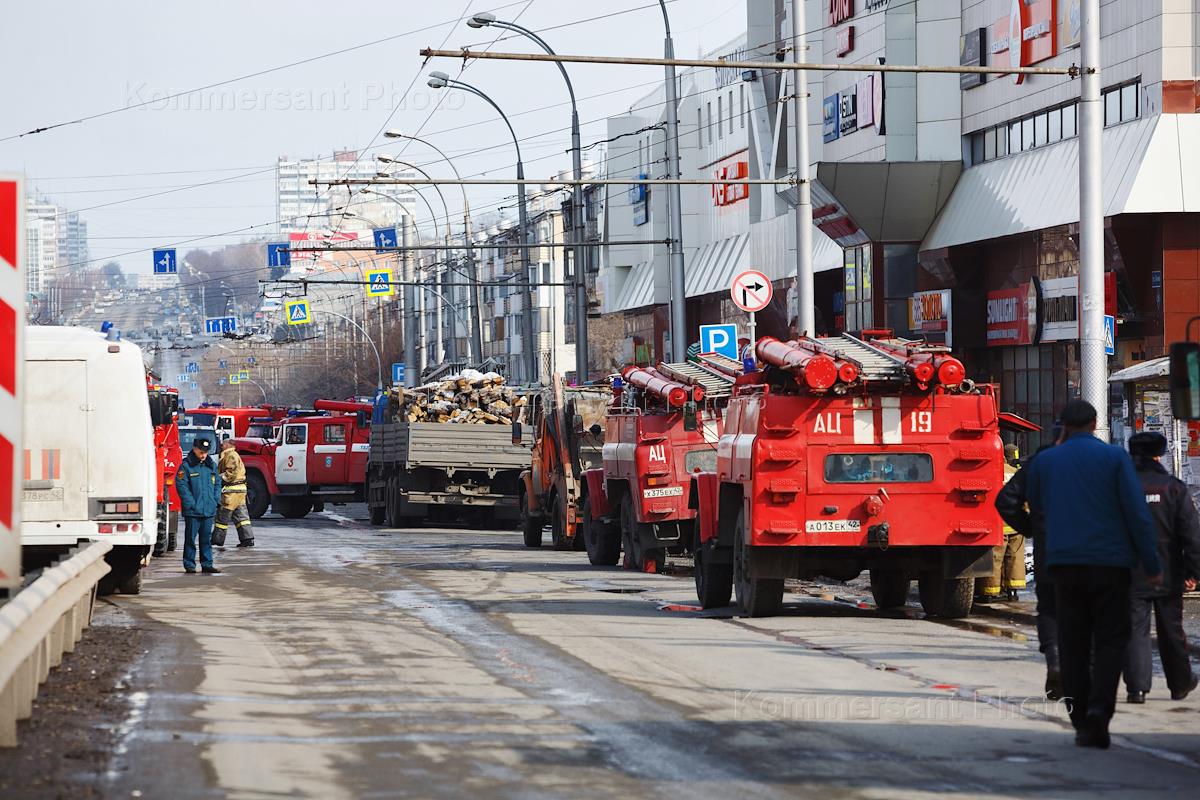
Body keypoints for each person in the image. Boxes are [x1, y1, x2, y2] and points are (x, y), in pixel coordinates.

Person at [1026, 400, 1162, 748]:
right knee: (1110, 641)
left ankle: (1080, 719)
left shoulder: (1045, 461)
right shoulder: (1115, 458)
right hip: (1111, 566)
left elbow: (1037, 505)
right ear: (1094, 422)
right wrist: (1151, 564)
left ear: (1063, 425)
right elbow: (1136, 514)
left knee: (1072, 643)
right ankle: (1101, 711)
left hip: (1064, 566)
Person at [1123, 431, 1200, 704]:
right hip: (1168, 571)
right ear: (1159, 455)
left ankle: (1137, 688)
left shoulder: (1119, 487)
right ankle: (1180, 683)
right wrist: (1193, 572)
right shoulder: (1173, 488)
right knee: (1171, 629)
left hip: (1129, 572)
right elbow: (1191, 534)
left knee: (1134, 629)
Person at [996, 424, 1063, 700]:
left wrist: (1030, 527)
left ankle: (1055, 658)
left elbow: (1005, 500)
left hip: (1047, 545)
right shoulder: (1104, 460)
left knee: (1049, 608)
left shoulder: (1036, 464)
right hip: (1092, 551)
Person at [980, 444, 1028, 602]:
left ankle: (990, 592)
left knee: (995, 558)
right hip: (1015, 524)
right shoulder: (1015, 473)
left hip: (997, 524)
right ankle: (1012, 591)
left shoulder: (991, 472)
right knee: (1015, 557)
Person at [175, 436, 222, 575]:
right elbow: (182, 485)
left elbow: (217, 483)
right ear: (194, 449)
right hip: (193, 511)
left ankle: (207, 564)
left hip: (208, 509)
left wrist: (215, 500)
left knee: (206, 539)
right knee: (190, 539)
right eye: (201, 452)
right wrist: (191, 504)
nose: (203, 455)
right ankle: (189, 564)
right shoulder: (186, 466)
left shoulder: (211, 465)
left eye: (206, 452)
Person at [216, 440, 255, 548]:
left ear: (228, 445)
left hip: (231, 491)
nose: (221, 445)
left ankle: (217, 539)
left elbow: (231, 473)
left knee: (222, 516)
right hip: (239, 491)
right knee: (241, 517)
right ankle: (247, 539)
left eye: (223, 444)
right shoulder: (233, 455)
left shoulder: (231, 455)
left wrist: (218, 479)